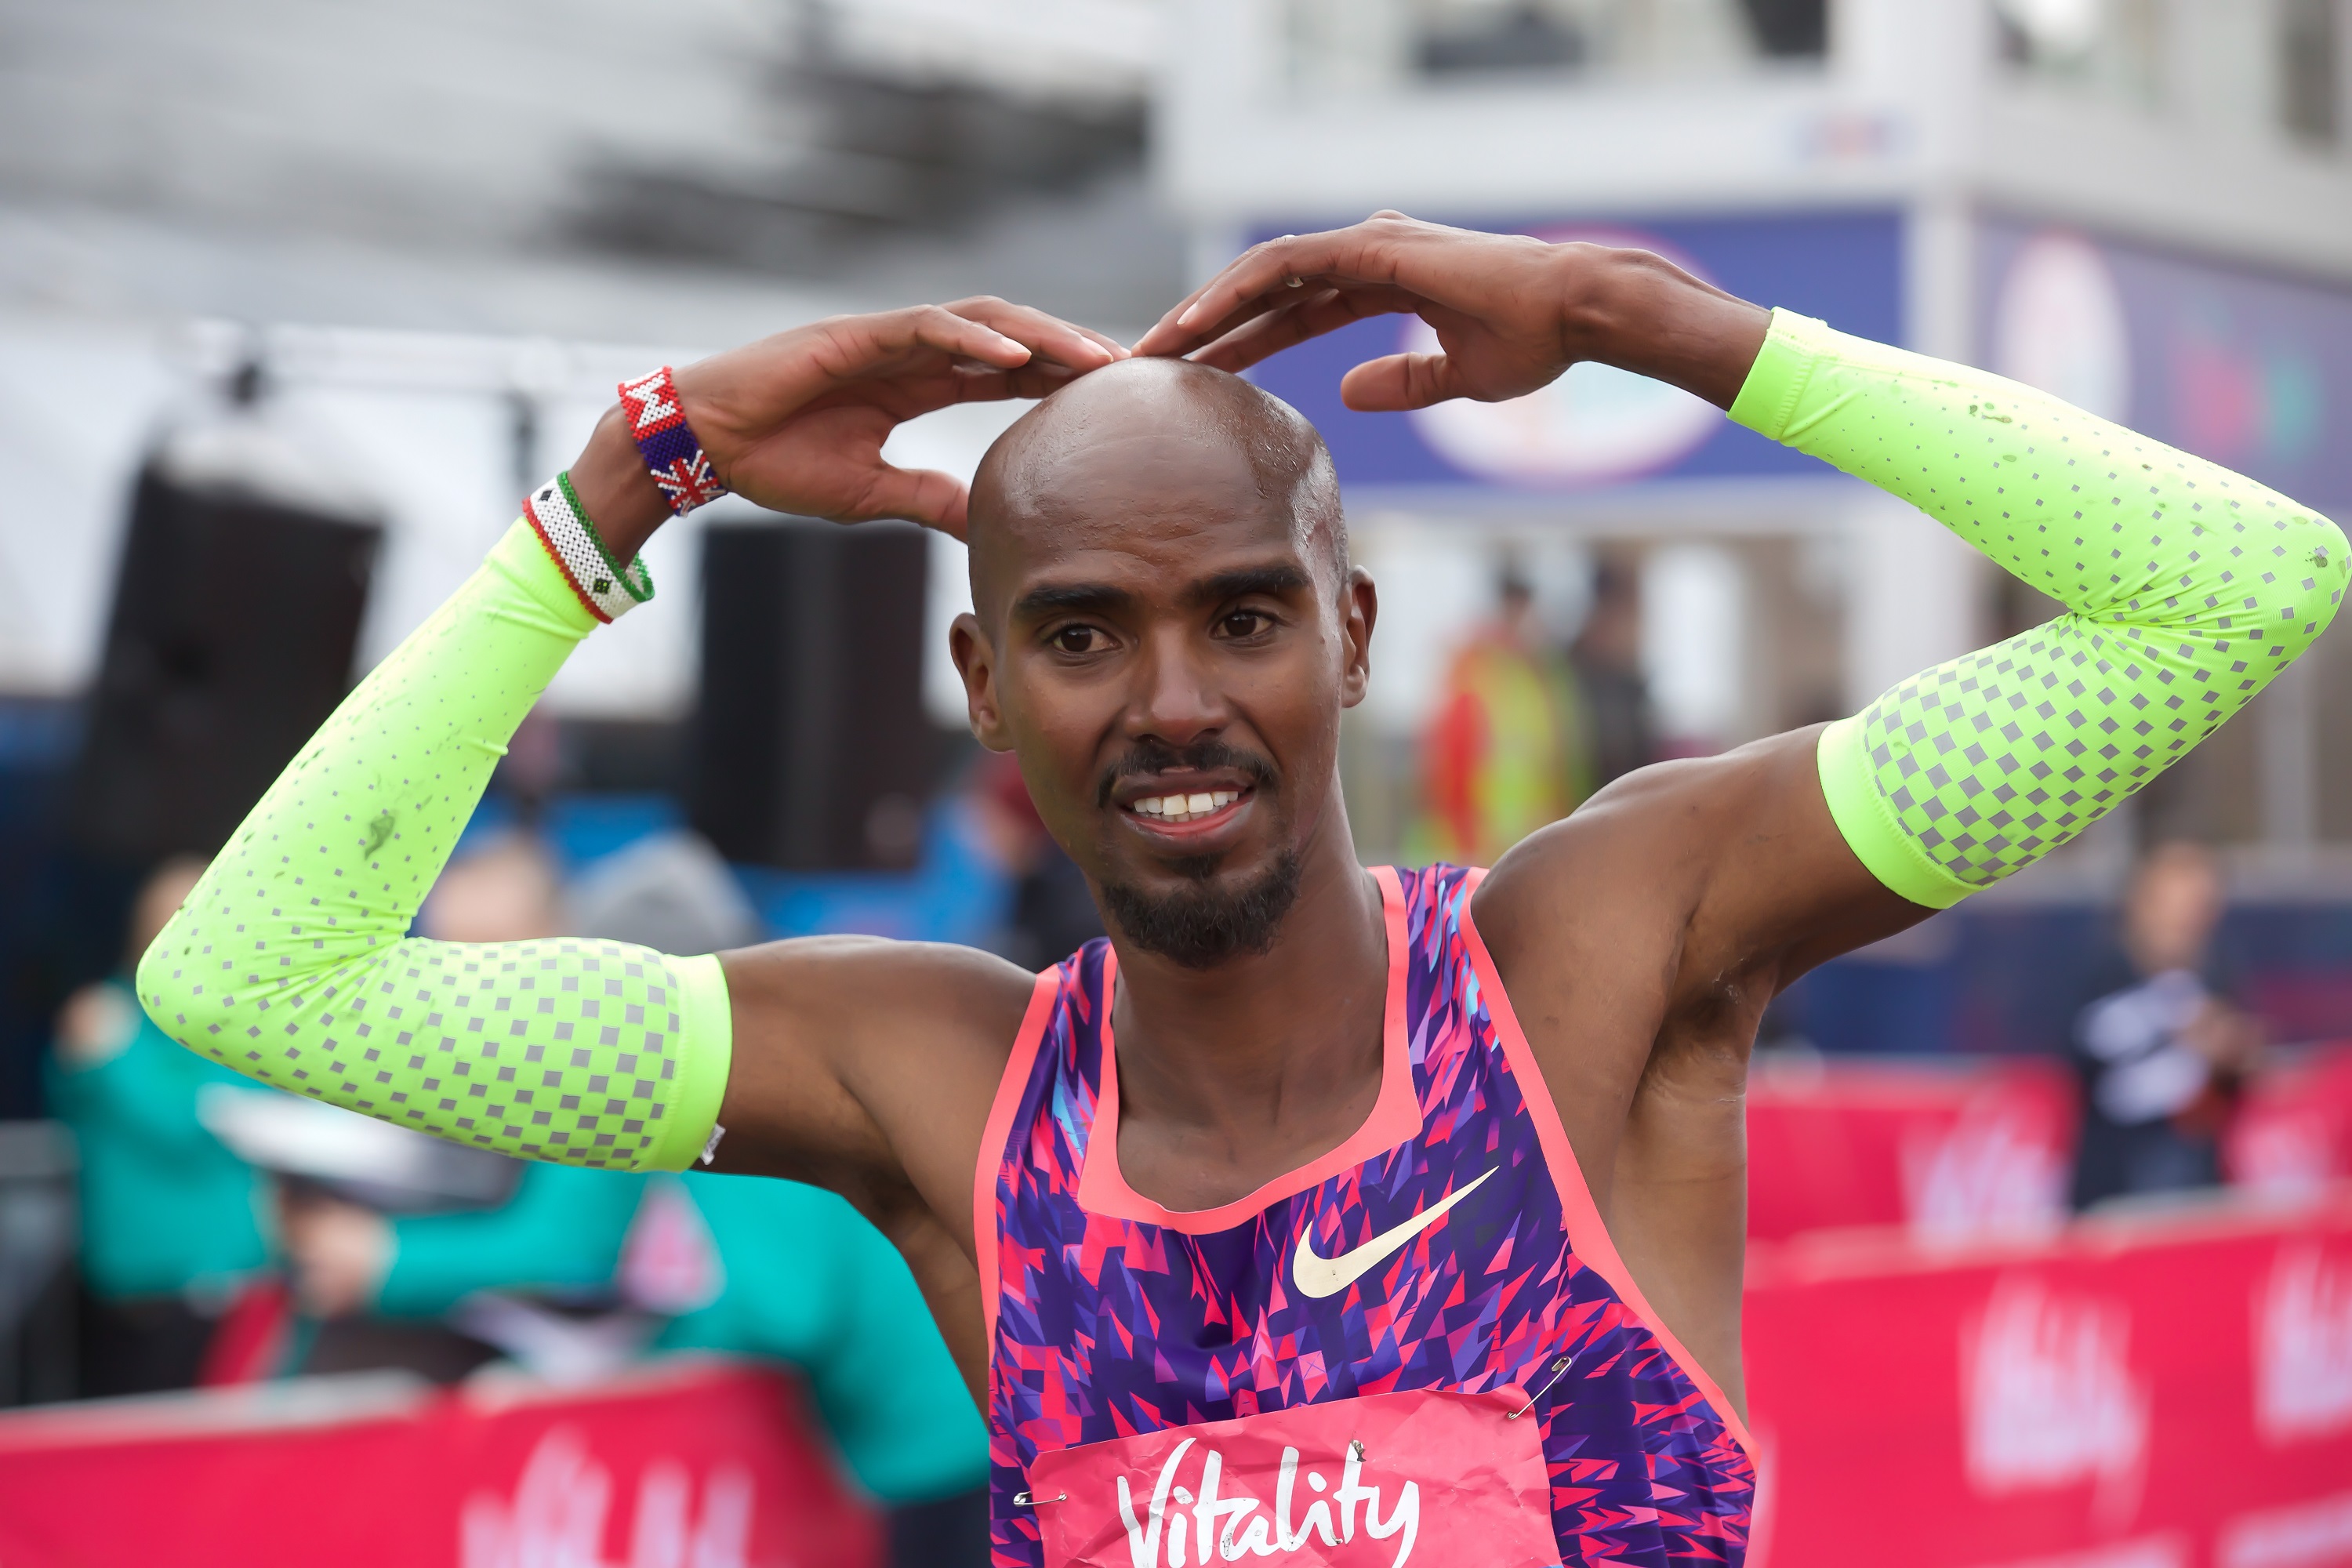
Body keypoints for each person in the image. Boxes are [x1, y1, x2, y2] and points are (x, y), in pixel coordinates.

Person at [135, 223, 2343, 1565]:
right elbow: (256, 981)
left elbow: (2241, 587)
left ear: (1353, 640)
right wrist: (633, 476)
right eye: (1086, 635)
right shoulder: (929, 1085)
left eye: (1244, 621)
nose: (1173, 700)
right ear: (983, 685)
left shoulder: (1594, 954)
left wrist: (1643, 321)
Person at [47, 857, 272, 1394]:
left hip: (234, 1284)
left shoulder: (252, 1019)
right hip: (132, 1291)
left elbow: (219, 1121)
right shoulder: (103, 1010)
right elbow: (86, 1111)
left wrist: (119, 1058)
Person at [2068, 840, 2262, 1210]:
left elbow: (2226, 1091)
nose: (2186, 922)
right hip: (2116, 1190)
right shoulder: (2101, 974)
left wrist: (2231, 1059)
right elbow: (2090, 1063)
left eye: (2199, 907)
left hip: (2197, 1185)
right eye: (2176, 905)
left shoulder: (2218, 975)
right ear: (2143, 903)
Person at [1411, 557, 1592, 866]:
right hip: (1476, 850)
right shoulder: (1473, 670)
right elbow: (1448, 768)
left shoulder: (1544, 677)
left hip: (1531, 848)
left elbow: (1565, 767)